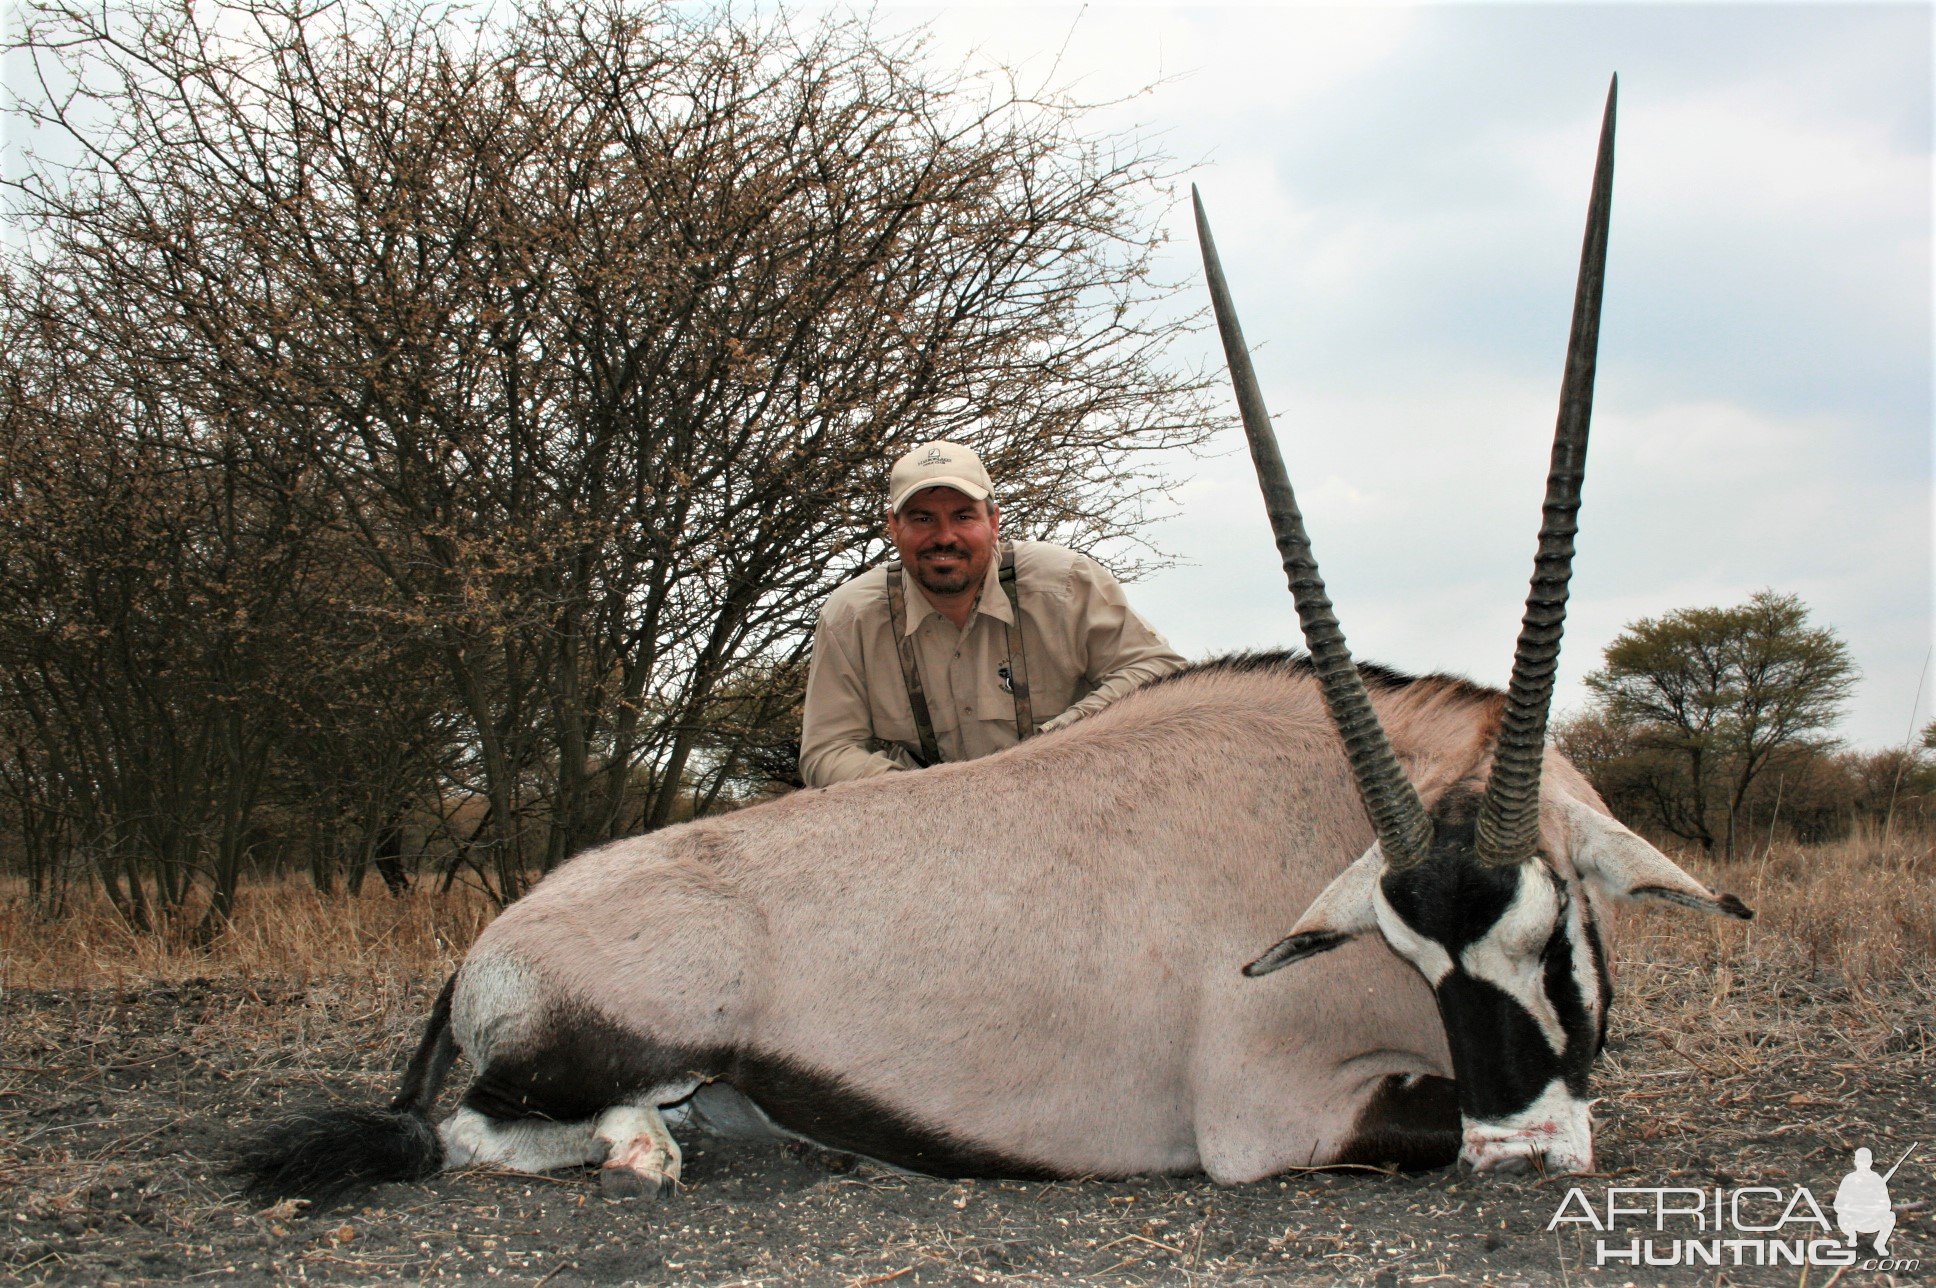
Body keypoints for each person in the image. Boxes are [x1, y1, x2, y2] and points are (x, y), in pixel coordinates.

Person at [800, 440, 1185, 788]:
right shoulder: (850, 616)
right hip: (923, 824)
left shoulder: (1066, 581)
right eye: (922, 518)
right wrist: (923, 795)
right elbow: (826, 752)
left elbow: (1160, 671)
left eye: (963, 516)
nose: (945, 536)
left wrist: (1055, 743)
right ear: (893, 527)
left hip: (1069, 795)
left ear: (994, 522)